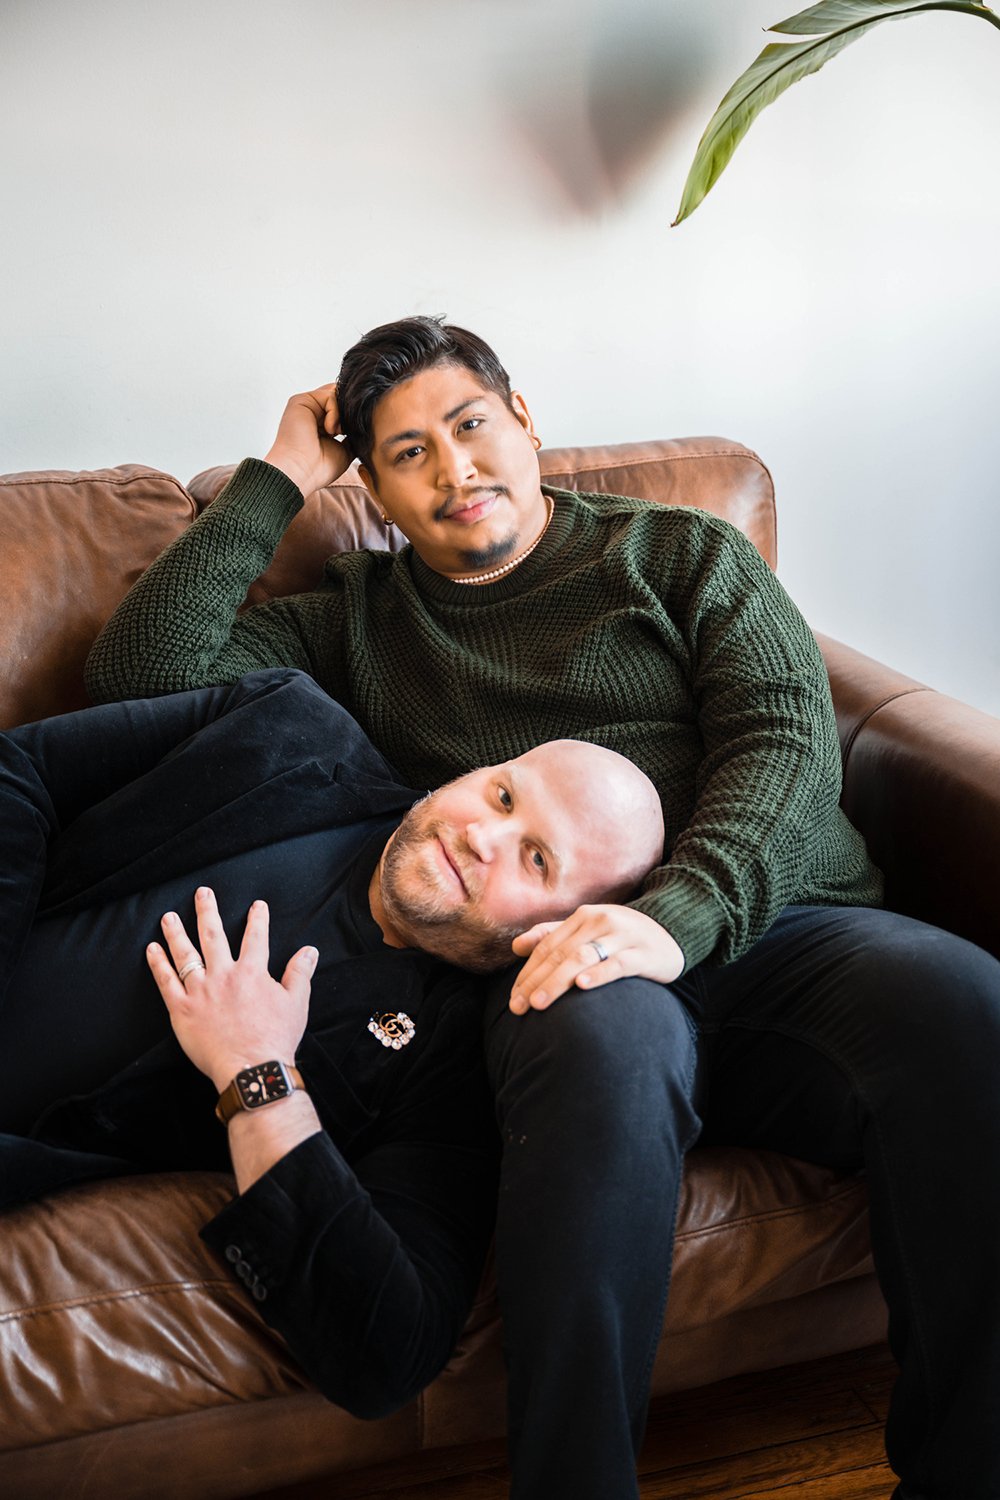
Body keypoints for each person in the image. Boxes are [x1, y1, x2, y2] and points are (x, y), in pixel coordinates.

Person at [85, 318, 1000, 1499]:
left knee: (968, 1006)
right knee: (597, 1049)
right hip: (549, 960)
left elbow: (785, 734)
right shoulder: (357, 624)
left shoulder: (678, 555)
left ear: (523, 420)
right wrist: (272, 482)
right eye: (406, 453)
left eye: (469, 426)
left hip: (780, 927)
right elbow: (137, 681)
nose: (454, 469)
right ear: (369, 485)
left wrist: (676, 915)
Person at [0, 665, 664, 1420]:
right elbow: (17, 770)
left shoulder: (449, 1067)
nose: (483, 835)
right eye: (504, 794)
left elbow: (391, 1352)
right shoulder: (286, 722)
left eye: (536, 858)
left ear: (558, 930)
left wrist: (257, 1072)